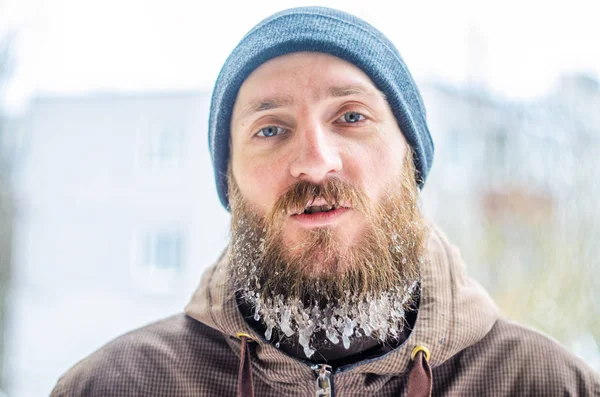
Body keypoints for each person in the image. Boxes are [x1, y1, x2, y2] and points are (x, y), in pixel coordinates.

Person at [51, 6, 600, 397]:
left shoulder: (547, 384)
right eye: (270, 129)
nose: (315, 161)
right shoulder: (115, 386)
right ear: (229, 179)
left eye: (352, 117)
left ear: (412, 158)